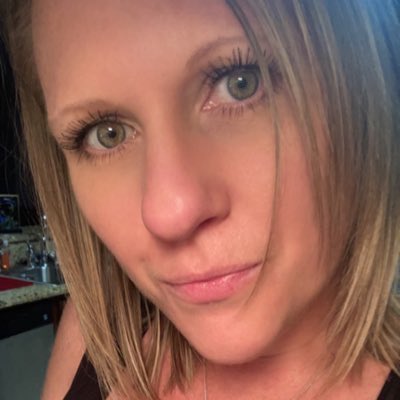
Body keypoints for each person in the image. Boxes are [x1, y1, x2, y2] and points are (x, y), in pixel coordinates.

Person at [1, 0, 400, 398]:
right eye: (107, 133)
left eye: (241, 83)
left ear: (363, 84)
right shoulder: (96, 331)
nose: (170, 213)